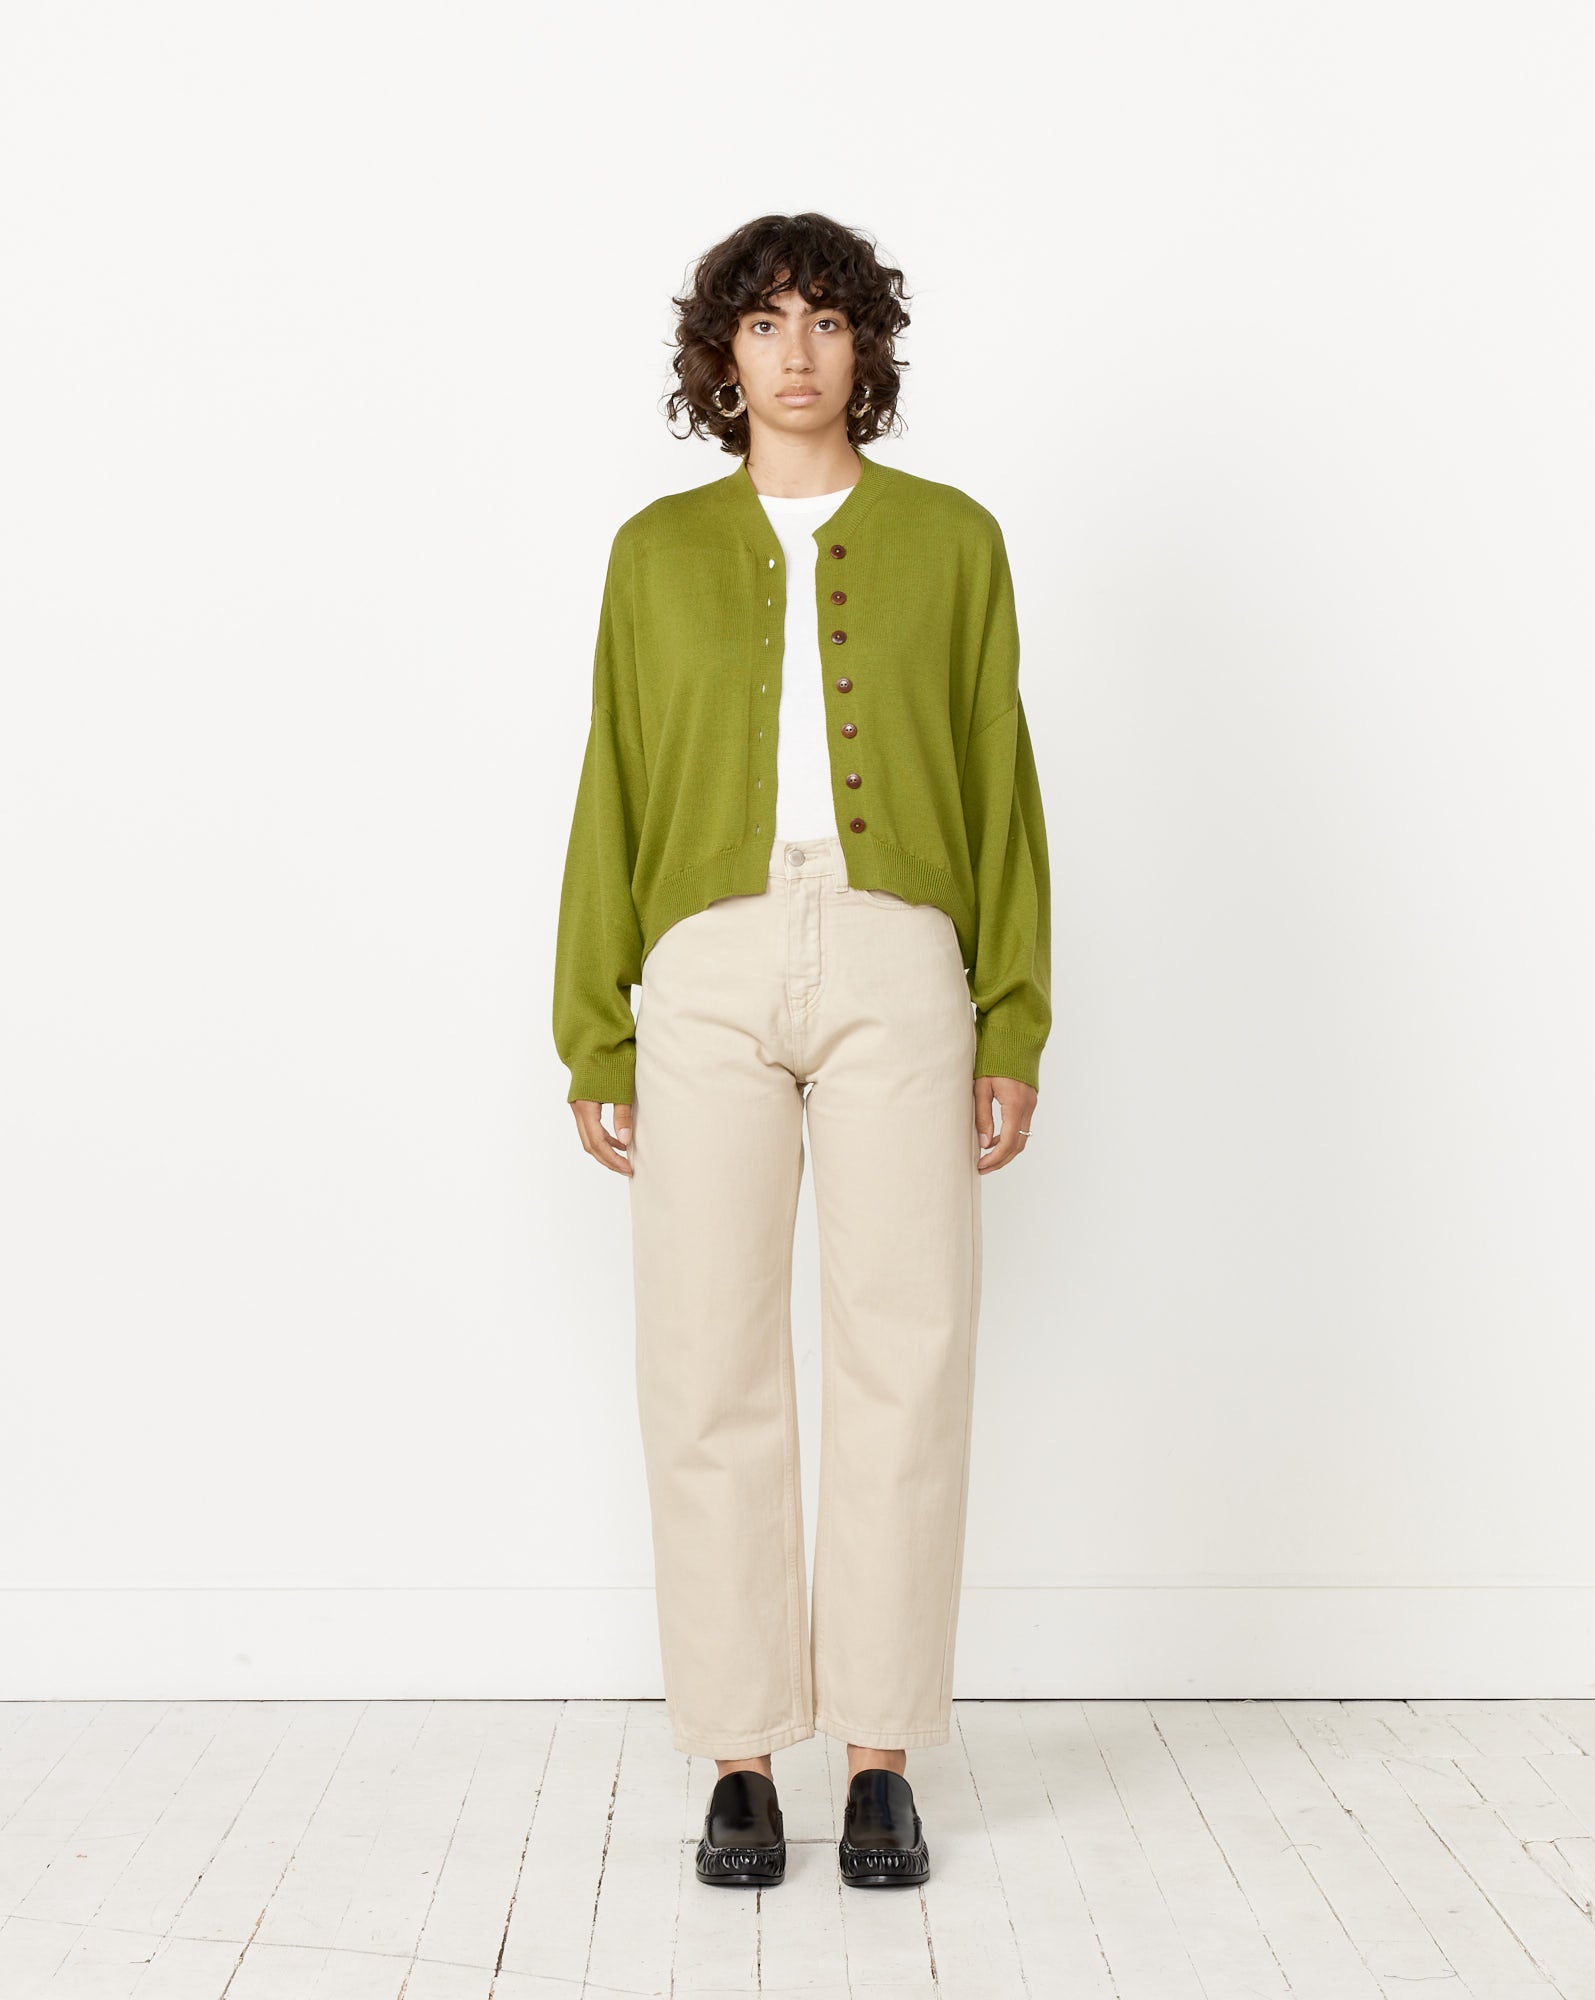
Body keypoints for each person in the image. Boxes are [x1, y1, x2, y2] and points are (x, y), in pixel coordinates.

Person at [552, 212, 1051, 1889]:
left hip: (901, 959)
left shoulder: (955, 542)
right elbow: (613, 783)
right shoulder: (653, 553)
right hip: (701, 965)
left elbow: (1001, 781)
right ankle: (743, 1759)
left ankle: (886, 1758)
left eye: (827, 321)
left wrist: (1013, 1015)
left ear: (866, 350)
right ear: (722, 354)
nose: (796, 352)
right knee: (706, 1362)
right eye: (763, 322)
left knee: (906, 1354)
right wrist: (594, 1026)